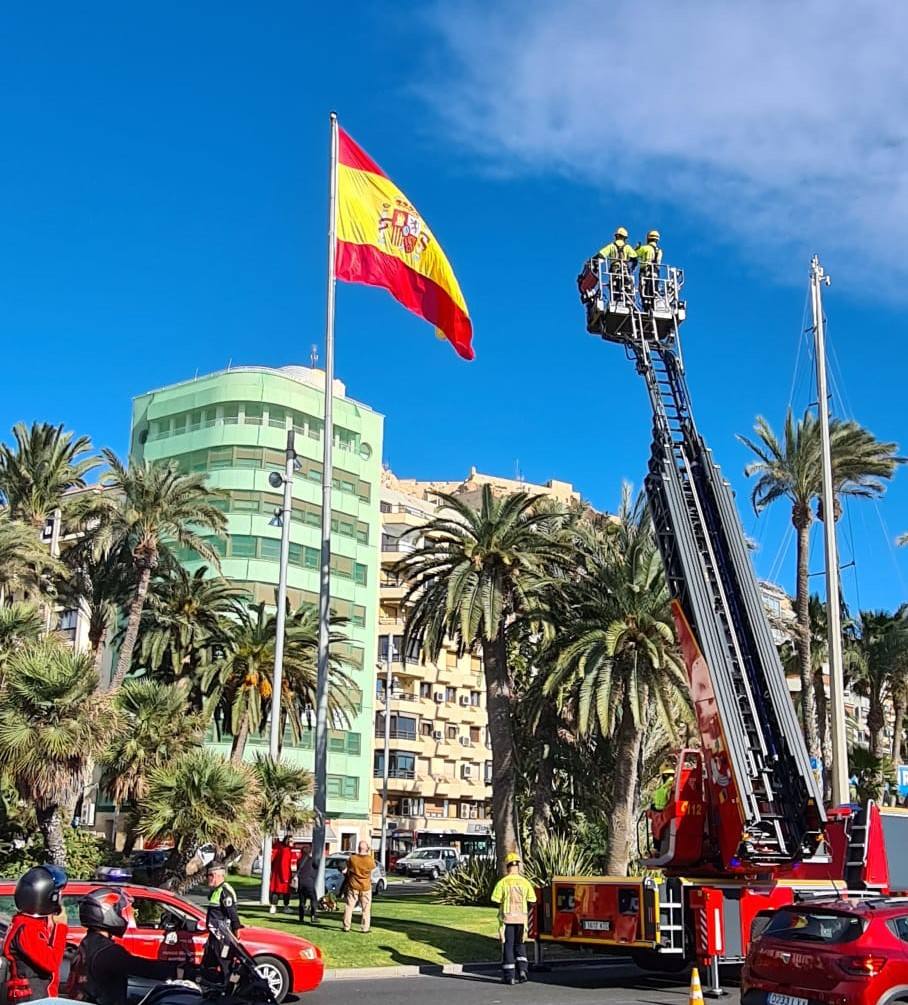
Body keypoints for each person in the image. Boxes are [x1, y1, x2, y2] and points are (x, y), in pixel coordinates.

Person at [66, 888, 188, 1005]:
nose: (121, 915)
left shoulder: (88, 942)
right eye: (118, 911)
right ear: (107, 913)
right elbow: (144, 968)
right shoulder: (107, 952)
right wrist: (184, 972)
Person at [1, 865, 69, 1001]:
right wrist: (61, 927)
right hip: (33, 997)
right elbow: (51, 963)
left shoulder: (27, 922)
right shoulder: (27, 928)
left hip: (37, 995)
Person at [490, 852, 537, 986]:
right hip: (522, 920)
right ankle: (522, 970)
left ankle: (509, 976)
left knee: (508, 947)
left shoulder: (503, 882)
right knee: (520, 945)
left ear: (507, 866)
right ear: (518, 866)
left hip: (507, 920)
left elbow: (495, 899)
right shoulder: (525, 882)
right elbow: (532, 899)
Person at [595, 226, 637, 304]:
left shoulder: (611, 246)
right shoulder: (627, 247)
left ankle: (616, 300)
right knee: (626, 284)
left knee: (614, 285)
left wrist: (593, 261)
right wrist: (631, 269)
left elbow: (601, 255)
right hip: (625, 269)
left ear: (616, 236)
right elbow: (634, 259)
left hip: (615, 269)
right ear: (624, 237)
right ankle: (627, 300)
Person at [342, 841, 375, 934]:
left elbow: (347, 868)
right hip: (366, 886)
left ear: (358, 848)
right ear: (367, 849)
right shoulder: (370, 859)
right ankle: (365, 928)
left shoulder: (352, 858)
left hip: (353, 885)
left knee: (349, 906)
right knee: (366, 909)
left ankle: (346, 926)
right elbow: (372, 868)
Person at [636, 230, 663, 310]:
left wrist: (637, 248)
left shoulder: (644, 248)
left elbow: (633, 255)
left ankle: (646, 305)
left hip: (645, 271)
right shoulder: (660, 251)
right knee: (654, 289)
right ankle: (653, 305)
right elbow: (658, 262)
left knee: (644, 290)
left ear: (648, 238)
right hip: (656, 273)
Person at [269, 836, 293, 915]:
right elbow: (284, 864)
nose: (293, 842)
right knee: (285, 893)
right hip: (283, 875)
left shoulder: (280, 849)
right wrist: (285, 877)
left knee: (276, 892)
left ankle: (273, 907)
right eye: (291, 841)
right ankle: (285, 907)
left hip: (277, 875)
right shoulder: (286, 850)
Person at [296, 847, 319, 925]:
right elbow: (316, 865)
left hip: (301, 883)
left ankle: (301, 917)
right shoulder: (311, 860)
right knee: (313, 899)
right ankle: (313, 916)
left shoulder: (299, 861)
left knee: (302, 901)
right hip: (309, 883)